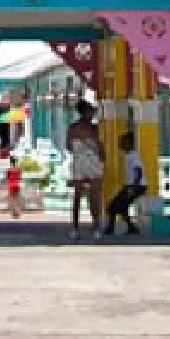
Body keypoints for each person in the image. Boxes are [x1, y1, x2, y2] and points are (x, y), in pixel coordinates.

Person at [66, 99, 104, 240]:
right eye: (90, 111)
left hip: (79, 161)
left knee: (81, 196)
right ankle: (94, 228)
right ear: (84, 112)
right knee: (91, 196)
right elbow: (99, 146)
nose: (92, 114)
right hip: (92, 161)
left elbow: (68, 147)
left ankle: (78, 228)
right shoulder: (94, 129)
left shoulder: (73, 128)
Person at [104, 132, 145, 236]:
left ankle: (111, 229)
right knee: (119, 206)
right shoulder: (128, 155)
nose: (120, 145)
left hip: (136, 186)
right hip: (131, 186)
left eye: (122, 142)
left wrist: (133, 187)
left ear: (129, 143)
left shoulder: (133, 155)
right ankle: (131, 227)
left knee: (114, 206)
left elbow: (139, 171)